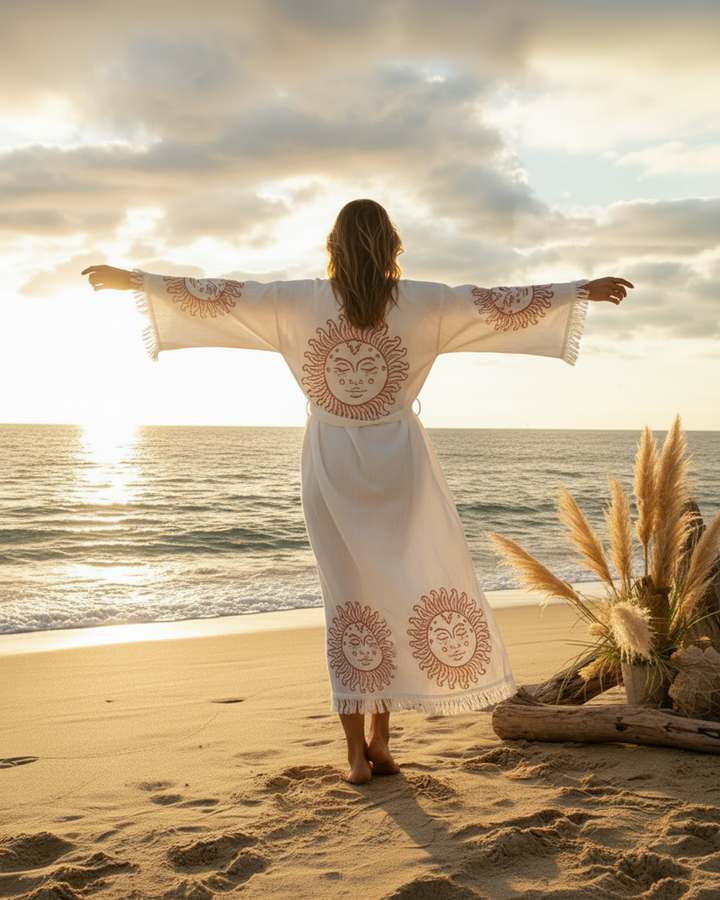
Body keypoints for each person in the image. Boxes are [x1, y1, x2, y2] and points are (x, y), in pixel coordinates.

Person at [82, 199, 632, 784]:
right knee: (391, 595)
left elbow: (223, 296)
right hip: (400, 459)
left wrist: (135, 281)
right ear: (392, 245)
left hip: (332, 459)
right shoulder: (425, 301)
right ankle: (382, 742)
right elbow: (499, 304)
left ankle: (354, 757)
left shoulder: (298, 300)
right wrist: (579, 290)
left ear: (333, 247)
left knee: (348, 602)